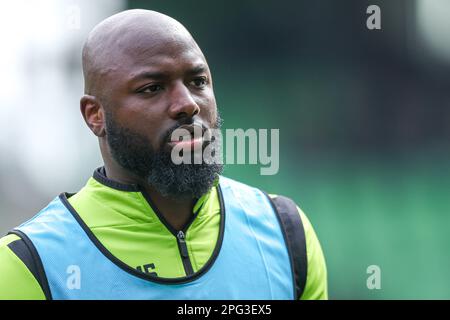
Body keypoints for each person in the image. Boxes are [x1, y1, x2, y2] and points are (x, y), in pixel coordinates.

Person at [0, 9, 327, 300]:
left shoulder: (286, 235)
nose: (188, 104)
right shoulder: (30, 265)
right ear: (95, 115)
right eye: (152, 88)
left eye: (198, 81)